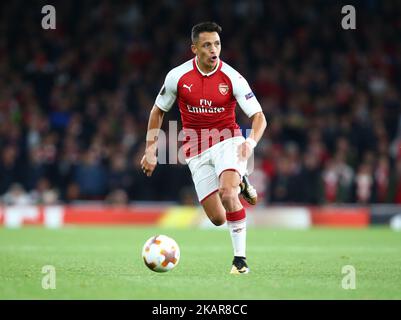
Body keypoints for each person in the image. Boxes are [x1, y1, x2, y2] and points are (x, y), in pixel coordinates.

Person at [141, 22, 267, 274]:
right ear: (194, 48)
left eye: (217, 44)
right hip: (196, 151)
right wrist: (151, 150)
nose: (214, 50)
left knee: (228, 194)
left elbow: (260, 118)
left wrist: (250, 143)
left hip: (227, 141)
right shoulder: (177, 77)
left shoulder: (232, 77)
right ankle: (240, 179)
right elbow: (158, 111)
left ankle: (239, 261)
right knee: (218, 218)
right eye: (207, 45)